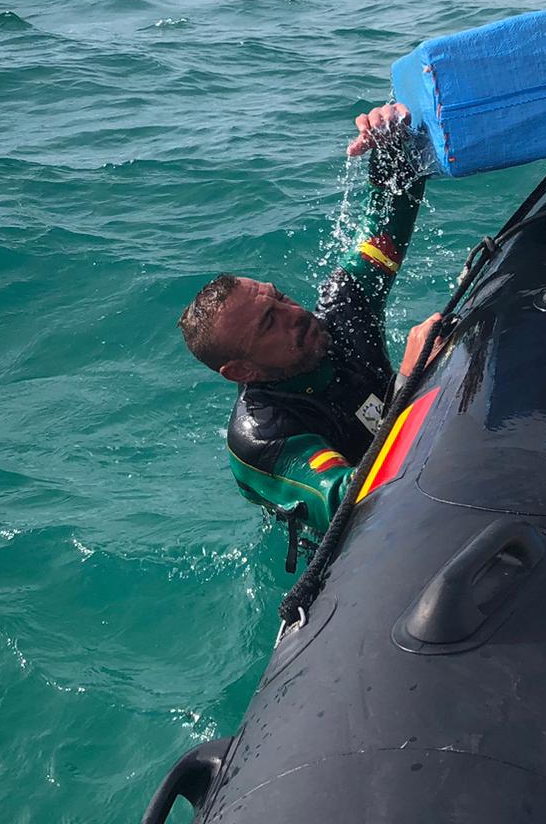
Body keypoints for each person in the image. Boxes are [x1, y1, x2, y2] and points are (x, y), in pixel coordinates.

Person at [177, 104, 441, 554]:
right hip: (363, 552)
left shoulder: (337, 316)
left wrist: (390, 142)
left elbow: (388, 217)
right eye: (269, 322)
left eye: (278, 297)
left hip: (409, 451)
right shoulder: (264, 437)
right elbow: (355, 507)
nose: (294, 313)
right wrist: (408, 383)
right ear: (242, 370)